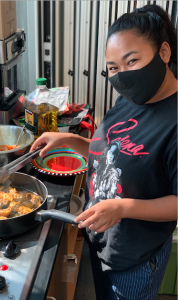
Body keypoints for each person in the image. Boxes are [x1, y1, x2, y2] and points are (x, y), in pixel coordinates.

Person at [30, 4, 177, 300]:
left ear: (163, 53)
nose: (121, 76)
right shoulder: (131, 99)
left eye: (132, 60)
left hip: (134, 259)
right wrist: (66, 140)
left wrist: (122, 208)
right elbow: (108, 154)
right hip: (103, 243)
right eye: (113, 68)